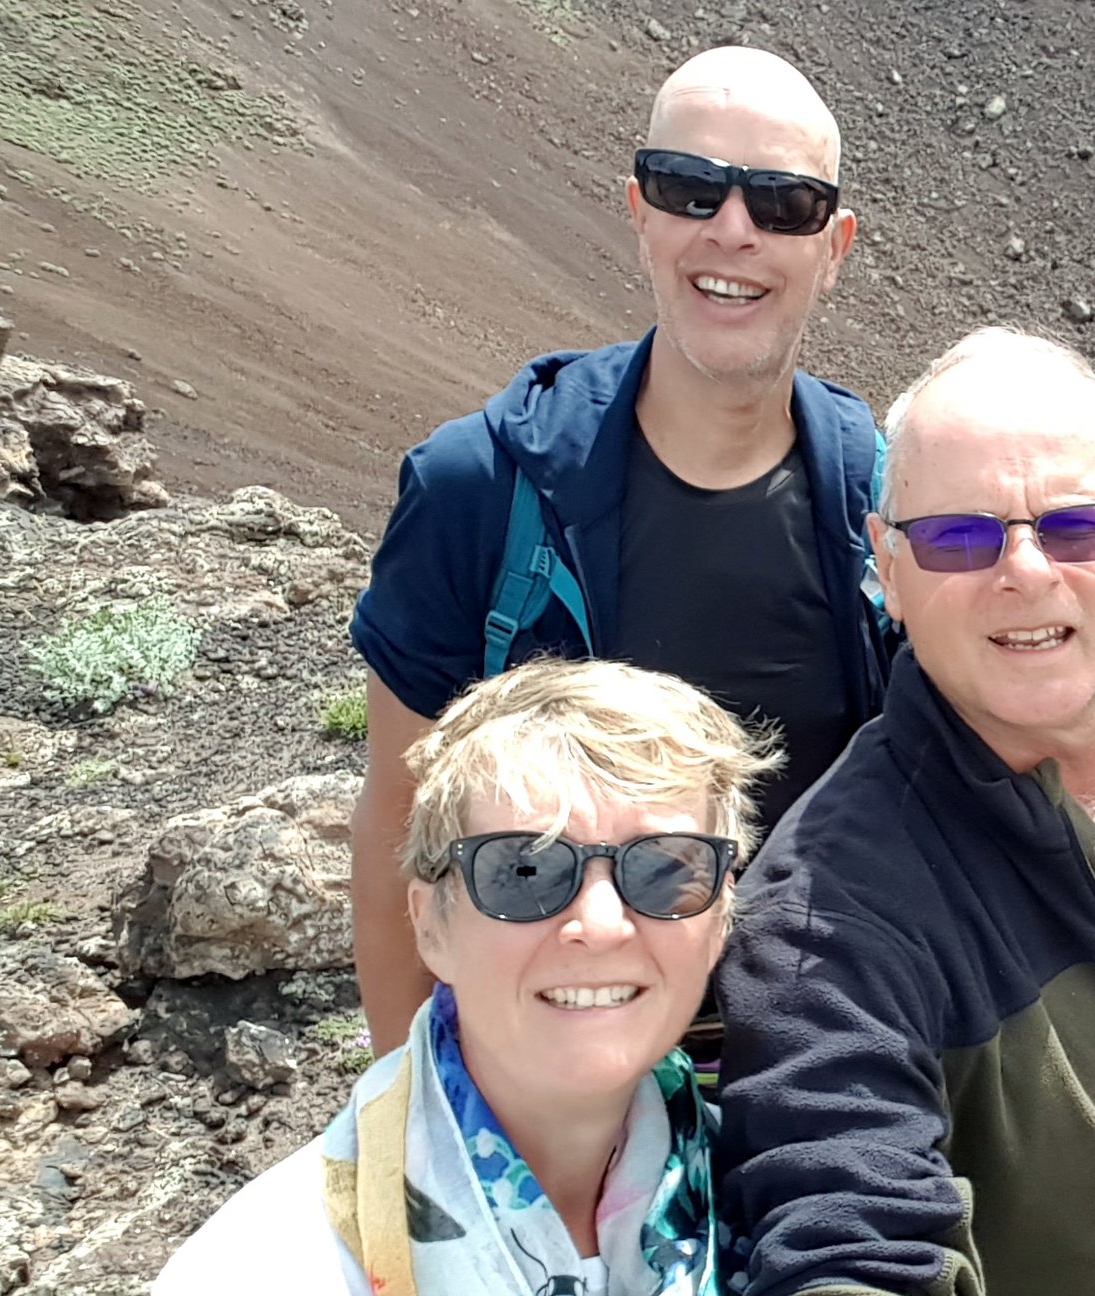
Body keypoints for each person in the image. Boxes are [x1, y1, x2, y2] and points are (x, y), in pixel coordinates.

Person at [713, 328, 1095, 1296]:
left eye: (1078, 524)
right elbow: (851, 1262)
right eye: (960, 535)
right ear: (888, 567)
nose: (1024, 570)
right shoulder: (827, 916)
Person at [347, 46, 887, 1055]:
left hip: (824, 1077)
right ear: (638, 210)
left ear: (835, 244)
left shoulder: (881, 505)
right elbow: (396, 830)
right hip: (554, 1074)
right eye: (691, 189)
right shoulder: (481, 488)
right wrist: (413, 1121)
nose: (733, 229)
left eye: (784, 204)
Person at [120, 658, 772, 1296]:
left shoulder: (781, 1211)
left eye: (664, 870)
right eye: (524, 872)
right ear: (430, 923)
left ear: (721, 916)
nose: (599, 923)